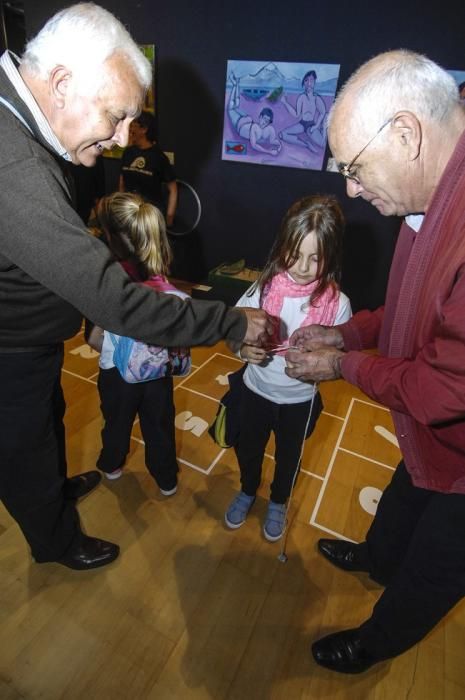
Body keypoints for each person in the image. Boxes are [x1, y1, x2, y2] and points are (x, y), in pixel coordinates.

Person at [0, 3, 271, 572]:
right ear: (63, 83)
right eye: (116, 115)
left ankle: (47, 491)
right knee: (24, 450)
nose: (123, 138)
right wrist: (230, 321)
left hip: (32, 343)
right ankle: (54, 541)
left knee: (44, 432)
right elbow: (115, 302)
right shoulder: (14, 165)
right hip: (9, 353)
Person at [284, 50, 465, 673]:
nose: (350, 189)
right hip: (439, 442)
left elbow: (444, 389)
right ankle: (377, 559)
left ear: (407, 134)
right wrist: (349, 335)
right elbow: (418, 310)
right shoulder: (434, 189)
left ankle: (377, 641)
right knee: (405, 495)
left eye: (355, 168)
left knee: (441, 560)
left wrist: (341, 368)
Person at [224, 195, 351, 541]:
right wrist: (242, 348)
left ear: (331, 255)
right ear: (282, 245)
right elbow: (233, 331)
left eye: (316, 257)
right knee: (248, 450)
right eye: (295, 253)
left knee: (288, 460)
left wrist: (321, 364)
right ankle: (248, 489)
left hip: (299, 403)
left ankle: (278, 501)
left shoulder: (339, 306)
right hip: (255, 393)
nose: (303, 266)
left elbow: (339, 361)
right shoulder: (262, 289)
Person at [88, 192, 186, 493]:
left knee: (116, 423)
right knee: (159, 426)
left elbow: (93, 339)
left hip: (116, 375)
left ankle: (112, 463)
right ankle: (166, 478)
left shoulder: (104, 282)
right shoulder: (164, 281)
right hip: (157, 375)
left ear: (110, 236)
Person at [119, 110, 178, 228]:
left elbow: (173, 189)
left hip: (150, 218)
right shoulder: (128, 153)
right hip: (130, 215)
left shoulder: (158, 157)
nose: (129, 130)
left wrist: (169, 219)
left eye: (133, 125)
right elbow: (122, 182)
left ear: (144, 129)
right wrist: (120, 207)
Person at [227, 72, 282, 156]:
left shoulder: (270, 129)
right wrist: (269, 152)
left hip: (245, 121)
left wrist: (279, 145)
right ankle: (235, 85)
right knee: (231, 108)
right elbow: (254, 145)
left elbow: (273, 140)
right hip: (241, 123)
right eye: (264, 119)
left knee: (235, 106)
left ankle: (236, 84)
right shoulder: (255, 127)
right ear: (260, 117)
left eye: (267, 121)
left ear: (269, 122)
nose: (265, 122)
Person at [279, 70, 327, 153]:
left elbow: (323, 113)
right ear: (304, 82)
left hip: (311, 125)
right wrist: (285, 102)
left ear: (314, 82)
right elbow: (296, 114)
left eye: (311, 80)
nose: (309, 83)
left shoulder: (316, 98)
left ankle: (323, 132)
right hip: (302, 124)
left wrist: (316, 126)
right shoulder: (301, 97)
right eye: (306, 80)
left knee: (323, 145)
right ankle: (306, 144)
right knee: (282, 134)